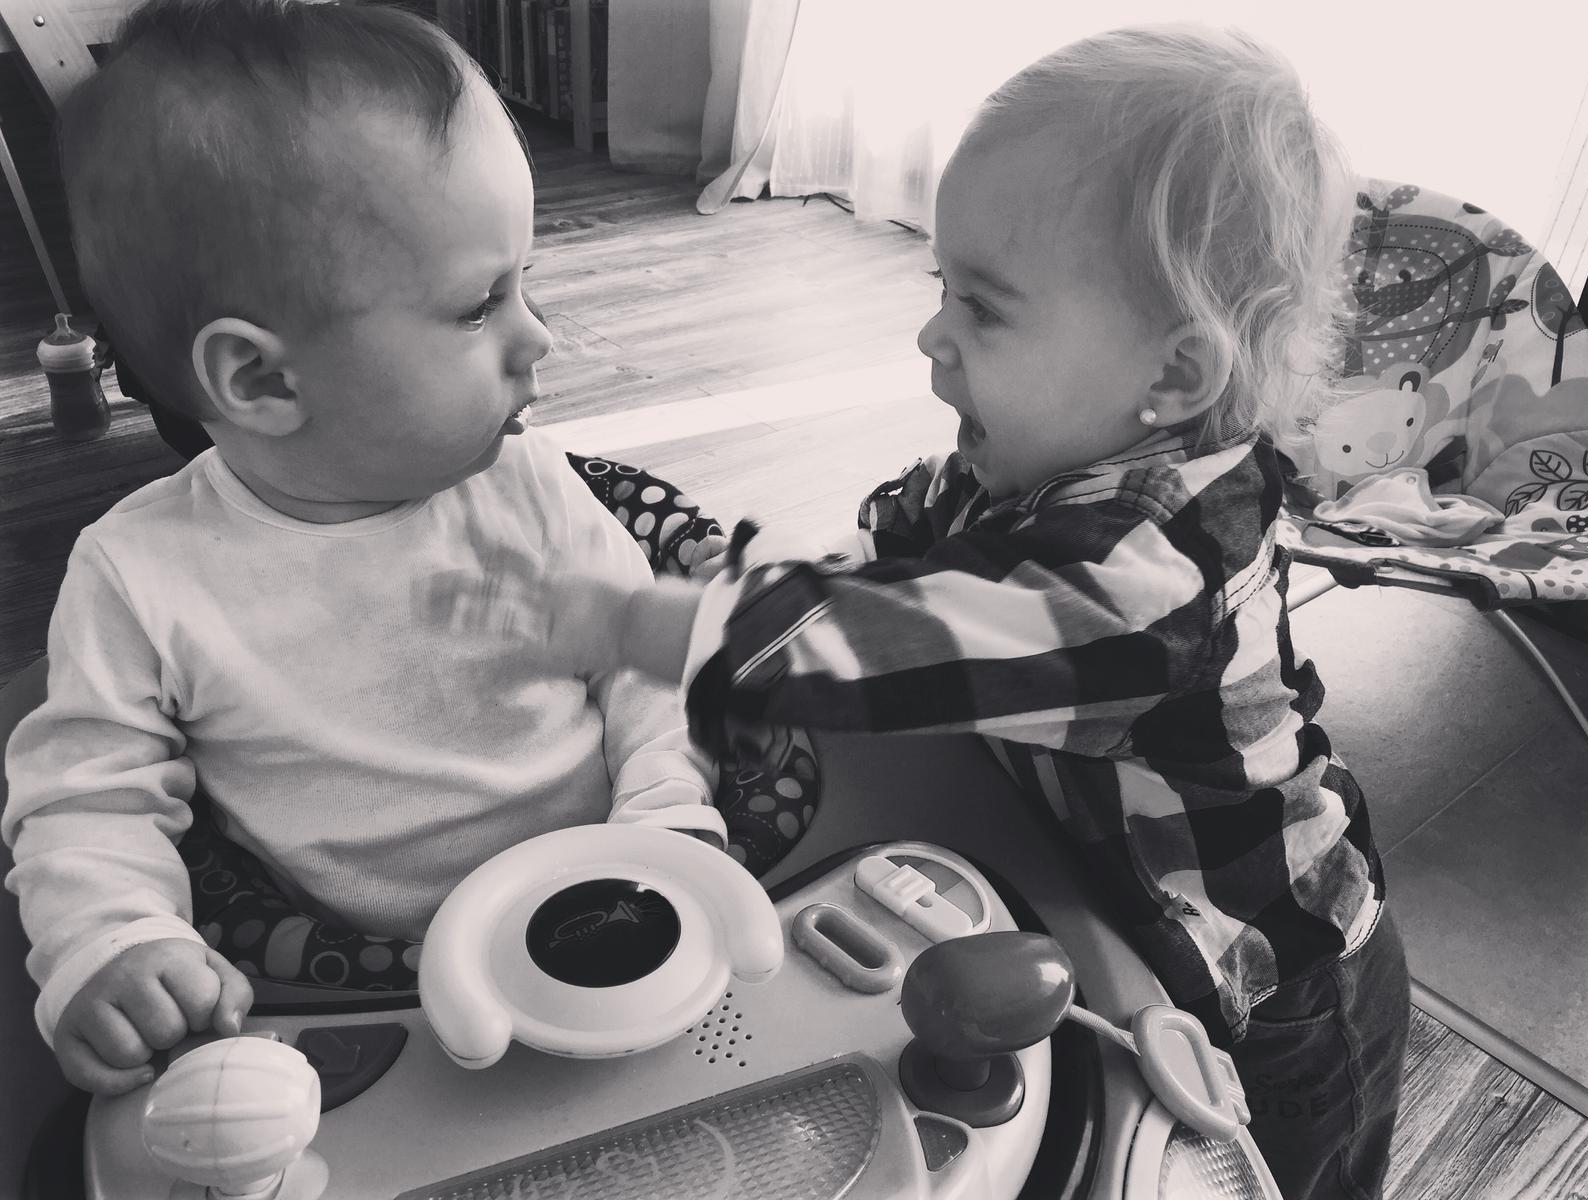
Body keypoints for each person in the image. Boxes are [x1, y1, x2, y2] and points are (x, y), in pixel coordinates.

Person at [440, 26, 1412, 1200]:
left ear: (1170, 377)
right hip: (1102, 889)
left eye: (983, 310)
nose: (931, 335)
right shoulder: (1050, 457)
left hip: (1273, 990)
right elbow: (901, 543)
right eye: (938, 288)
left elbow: (906, 643)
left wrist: (645, 627)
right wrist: (758, 568)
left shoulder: (1147, 583)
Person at [2, 0, 731, 1099]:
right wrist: (113, 941)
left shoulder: (529, 484)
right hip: (371, 996)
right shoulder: (138, 578)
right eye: (481, 305)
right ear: (262, 379)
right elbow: (83, 796)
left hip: (619, 913)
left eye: (523, 283)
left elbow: (645, 674)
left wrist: (666, 816)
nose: (539, 336)